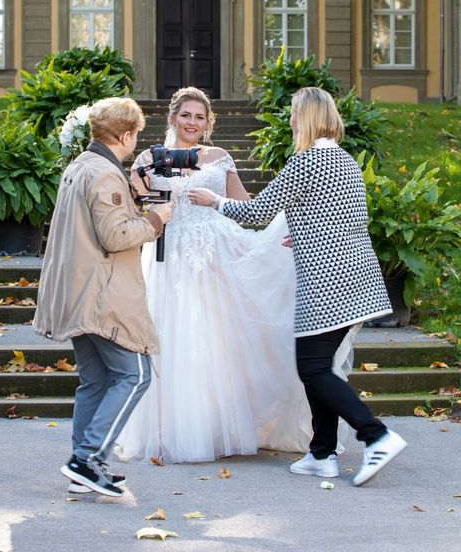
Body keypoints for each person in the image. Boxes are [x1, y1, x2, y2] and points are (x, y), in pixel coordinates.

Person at [117, 86, 354, 464]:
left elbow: (247, 206)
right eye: (186, 115)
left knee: (214, 342)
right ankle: (169, 429)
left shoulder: (220, 158)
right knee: (171, 336)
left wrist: (290, 230)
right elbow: (137, 208)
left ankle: (214, 427)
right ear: (173, 117)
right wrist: (142, 182)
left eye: (199, 117)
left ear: (208, 122)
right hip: (168, 257)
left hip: (214, 257)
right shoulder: (149, 157)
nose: (192, 123)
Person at [190, 86, 407, 487]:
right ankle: (321, 454)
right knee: (319, 368)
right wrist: (303, 231)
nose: (290, 120)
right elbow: (339, 216)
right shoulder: (344, 160)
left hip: (327, 284)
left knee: (312, 370)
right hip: (357, 279)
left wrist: (213, 201)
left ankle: (376, 435)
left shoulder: (307, 161)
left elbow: (256, 212)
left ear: (305, 117)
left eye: (293, 113)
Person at [33, 97, 172, 497]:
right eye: (136, 136)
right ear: (126, 135)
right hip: (102, 294)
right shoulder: (106, 175)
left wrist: (136, 201)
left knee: (94, 382)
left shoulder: (80, 167)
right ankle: (87, 459)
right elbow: (115, 236)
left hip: (79, 290)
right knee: (136, 374)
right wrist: (156, 219)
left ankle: (84, 467)